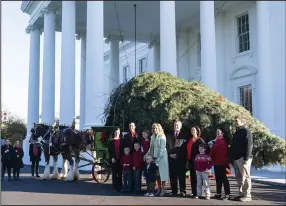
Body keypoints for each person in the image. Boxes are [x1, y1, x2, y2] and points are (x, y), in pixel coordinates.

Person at [230, 116, 253, 202]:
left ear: (243, 122)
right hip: (236, 158)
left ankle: (247, 195)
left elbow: (249, 145)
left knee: (246, 177)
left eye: (237, 120)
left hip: (243, 158)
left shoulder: (246, 132)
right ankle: (241, 194)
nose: (235, 122)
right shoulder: (237, 132)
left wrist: (246, 158)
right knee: (239, 177)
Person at [145, 123, 169, 196]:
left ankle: (163, 189)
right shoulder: (152, 137)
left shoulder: (162, 136)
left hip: (162, 157)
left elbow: (162, 148)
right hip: (155, 157)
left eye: (156, 128)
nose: (155, 129)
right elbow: (151, 148)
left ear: (159, 129)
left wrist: (159, 158)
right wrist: (147, 154)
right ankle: (158, 188)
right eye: (154, 128)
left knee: (162, 174)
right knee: (157, 175)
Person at [166, 120, 188, 196]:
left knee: (181, 176)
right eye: (175, 125)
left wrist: (177, 155)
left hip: (180, 159)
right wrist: (170, 154)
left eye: (177, 125)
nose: (176, 126)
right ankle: (174, 190)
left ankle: (183, 191)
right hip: (171, 159)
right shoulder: (169, 135)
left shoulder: (184, 135)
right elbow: (167, 146)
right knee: (172, 175)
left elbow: (184, 147)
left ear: (180, 126)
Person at [210, 128, 231, 200]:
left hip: (222, 162)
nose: (217, 133)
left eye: (219, 132)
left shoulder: (224, 142)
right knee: (218, 178)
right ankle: (218, 193)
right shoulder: (216, 141)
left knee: (223, 178)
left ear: (222, 133)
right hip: (216, 162)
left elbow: (224, 152)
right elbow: (212, 150)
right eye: (217, 132)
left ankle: (227, 194)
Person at [186, 126, 205, 198]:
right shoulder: (189, 140)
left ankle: (198, 193)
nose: (193, 131)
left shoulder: (200, 140)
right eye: (191, 130)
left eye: (194, 130)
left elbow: (205, 150)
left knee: (198, 177)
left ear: (197, 131)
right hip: (190, 160)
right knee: (193, 177)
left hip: (198, 161)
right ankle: (194, 192)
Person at [107, 127, 125, 192]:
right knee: (114, 174)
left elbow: (123, 150)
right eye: (115, 131)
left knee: (120, 174)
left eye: (118, 131)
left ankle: (119, 187)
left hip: (120, 159)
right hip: (114, 159)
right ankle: (114, 187)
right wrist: (112, 158)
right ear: (114, 132)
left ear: (119, 132)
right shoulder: (110, 141)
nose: (117, 133)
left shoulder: (122, 140)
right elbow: (109, 151)